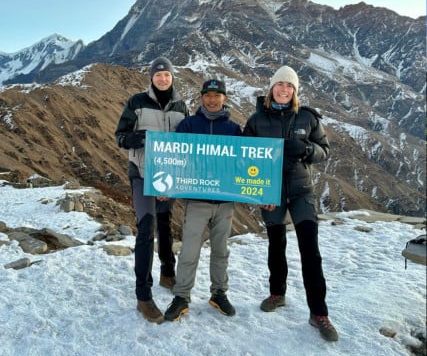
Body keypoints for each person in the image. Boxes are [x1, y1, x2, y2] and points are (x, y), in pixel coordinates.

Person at [243, 65, 339, 342]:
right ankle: (277, 293)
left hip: (301, 192)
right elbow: (246, 158)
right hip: (269, 193)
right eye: (280, 85)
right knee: (276, 245)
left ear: (295, 91)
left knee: (310, 250)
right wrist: (261, 193)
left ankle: (319, 313)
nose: (284, 89)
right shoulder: (256, 120)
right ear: (271, 88)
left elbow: (324, 151)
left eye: (290, 86)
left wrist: (308, 149)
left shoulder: (307, 118)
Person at [115, 56, 189, 324]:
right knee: (147, 227)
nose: (162, 79)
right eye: (158, 75)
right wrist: (142, 138)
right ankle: (143, 296)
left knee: (166, 222)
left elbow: (187, 141)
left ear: (172, 77)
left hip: (168, 175)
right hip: (142, 173)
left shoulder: (180, 105)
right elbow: (121, 137)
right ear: (151, 78)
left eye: (166, 75)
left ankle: (168, 273)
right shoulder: (137, 103)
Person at [163, 79, 242, 321]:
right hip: (196, 200)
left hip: (224, 202)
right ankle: (182, 297)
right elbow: (174, 157)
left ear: (224, 98)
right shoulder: (188, 125)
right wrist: (169, 186)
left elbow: (243, 162)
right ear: (202, 98)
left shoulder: (234, 129)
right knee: (189, 250)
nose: (212, 99)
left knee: (221, 250)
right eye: (207, 94)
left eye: (217, 95)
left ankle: (219, 293)